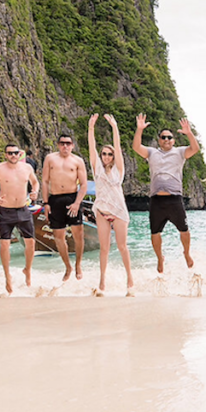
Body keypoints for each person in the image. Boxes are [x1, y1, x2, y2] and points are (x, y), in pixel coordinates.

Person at [132, 113, 200, 273]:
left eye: (169, 137)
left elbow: (195, 149)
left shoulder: (180, 152)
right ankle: (159, 258)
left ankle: (187, 253)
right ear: (159, 140)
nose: (167, 139)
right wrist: (139, 129)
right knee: (155, 233)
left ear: (174, 140)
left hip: (175, 199)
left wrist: (189, 133)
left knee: (184, 230)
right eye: (163, 137)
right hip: (156, 200)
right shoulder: (151, 152)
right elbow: (136, 147)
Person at [88, 113, 133, 295]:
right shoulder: (97, 168)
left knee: (122, 246)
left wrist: (114, 127)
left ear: (114, 157)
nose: (106, 156)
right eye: (104, 154)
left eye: (109, 154)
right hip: (101, 211)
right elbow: (91, 148)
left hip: (119, 211)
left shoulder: (118, 170)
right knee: (104, 248)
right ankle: (102, 282)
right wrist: (91, 127)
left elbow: (118, 146)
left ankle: (130, 279)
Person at [0, 143, 40, 294]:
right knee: (5, 245)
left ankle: (27, 270)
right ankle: (7, 276)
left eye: (15, 153)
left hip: (23, 209)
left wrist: (35, 192)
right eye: (10, 153)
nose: (13, 155)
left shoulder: (27, 168)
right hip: (5, 211)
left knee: (31, 243)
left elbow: (35, 182)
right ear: (5, 155)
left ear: (20, 154)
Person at [42, 134, 89, 281]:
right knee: (58, 237)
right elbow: (44, 181)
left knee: (78, 234)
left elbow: (84, 184)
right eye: (62, 143)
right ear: (58, 145)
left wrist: (77, 203)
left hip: (72, 197)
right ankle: (68, 266)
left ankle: (78, 265)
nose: (65, 146)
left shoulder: (78, 161)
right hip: (55, 199)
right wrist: (45, 203)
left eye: (68, 143)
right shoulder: (50, 158)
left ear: (72, 145)